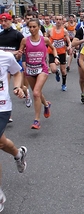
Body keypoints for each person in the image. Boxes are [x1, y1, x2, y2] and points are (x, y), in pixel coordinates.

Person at [0, 49, 28, 212]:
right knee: (2, 142)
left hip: (2, 107)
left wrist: (17, 87)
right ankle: (19, 155)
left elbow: (17, 73)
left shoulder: (5, 56)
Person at [19, 18, 59, 129]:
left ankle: (36, 120)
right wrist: (18, 54)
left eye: (34, 27)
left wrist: (55, 57)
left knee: (36, 93)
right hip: (30, 69)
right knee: (37, 92)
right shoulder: (24, 40)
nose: (32, 29)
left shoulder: (45, 40)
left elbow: (53, 48)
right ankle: (46, 105)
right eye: (30, 27)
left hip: (42, 69)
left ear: (39, 27)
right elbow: (20, 53)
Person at [47, 15, 71, 91]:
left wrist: (69, 47)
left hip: (61, 52)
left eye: (60, 19)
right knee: (53, 69)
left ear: (62, 21)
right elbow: (46, 39)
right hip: (51, 52)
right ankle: (57, 72)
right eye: (57, 19)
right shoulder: (50, 30)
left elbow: (69, 41)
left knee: (63, 70)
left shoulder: (64, 31)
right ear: (54, 20)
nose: (58, 21)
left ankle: (64, 84)